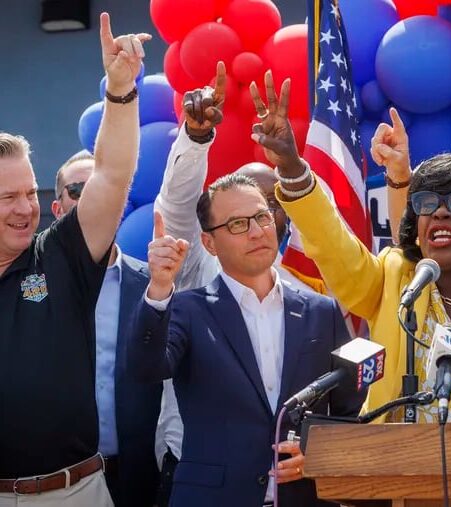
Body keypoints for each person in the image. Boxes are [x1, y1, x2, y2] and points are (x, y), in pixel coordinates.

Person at [248, 71, 451, 423]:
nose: (439, 211)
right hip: (399, 473)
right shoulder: (392, 281)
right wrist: (291, 167)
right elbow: (331, 243)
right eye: (426, 202)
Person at [127, 173, 365, 507]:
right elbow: (145, 369)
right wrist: (159, 289)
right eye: (238, 224)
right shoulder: (185, 308)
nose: (256, 232)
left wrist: (319, 452)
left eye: (262, 217)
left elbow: (350, 409)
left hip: (304, 497)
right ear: (209, 243)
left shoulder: (321, 311)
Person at [0, 13, 149, 506]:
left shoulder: (59, 256)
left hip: (76, 492)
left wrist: (121, 91)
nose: (27, 208)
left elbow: (110, 174)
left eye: (30, 192)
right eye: (7, 198)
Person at [152, 63, 313, 507]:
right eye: (237, 218)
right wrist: (197, 136)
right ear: (213, 235)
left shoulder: (311, 289)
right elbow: (179, 207)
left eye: (268, 207)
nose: (261, 223)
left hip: (299, 485)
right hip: (206, 482)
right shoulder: (199, 268)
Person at [51, 150, 161, 507]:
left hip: (141, 477)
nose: (93, 199)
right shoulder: (30, 285)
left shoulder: (154, 285)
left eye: (104, 189)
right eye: (79, 189)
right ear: (57, 209)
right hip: (58, 480)